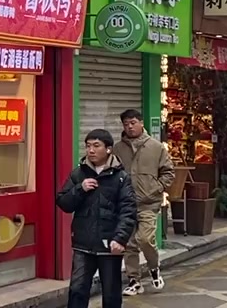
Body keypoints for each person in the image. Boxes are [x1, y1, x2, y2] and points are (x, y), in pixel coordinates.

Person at [57, 129, 136, 308]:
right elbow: (63, 203)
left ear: (108, 149)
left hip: (109, 245)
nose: (91, 150)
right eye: (88, 146)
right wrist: (80, 189)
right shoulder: (78, 174)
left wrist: (120, 238)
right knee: (77, 290)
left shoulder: (121, 178)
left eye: (96, 146)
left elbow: (128, 210)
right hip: (83, 244)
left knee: (111, 293)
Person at [112, 109, 174, 296]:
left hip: (148, 202)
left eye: (133, 123)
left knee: (145, 239)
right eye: (126, 124)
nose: (130, 127)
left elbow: (169, 173)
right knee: (129, 244)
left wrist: (156, 188)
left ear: (141, 123)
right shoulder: (117, 149)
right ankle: (134, 281)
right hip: (125, 204)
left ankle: (154, 268)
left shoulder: (156, 147)